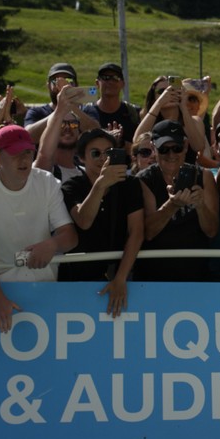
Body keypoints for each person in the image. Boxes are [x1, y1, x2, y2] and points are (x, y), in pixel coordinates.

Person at [0, 125, 78, 331]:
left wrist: (52, 244)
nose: (24, 159)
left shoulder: (46, 182)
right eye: (15, 153)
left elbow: (70, 237)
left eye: (27, 152)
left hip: (46, 287)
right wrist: (0, 301)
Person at [60, 129, 143, 316]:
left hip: (120, 274)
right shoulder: (71, 187)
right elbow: (84, 221)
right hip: (77, 280)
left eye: (109, 152)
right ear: (81, 158)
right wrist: (101, 185)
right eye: (95, 153)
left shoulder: (130, 184)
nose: (103, 158)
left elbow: (137, 232)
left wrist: (120, 279)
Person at [136, 119, 219, 282]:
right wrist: (172, 205)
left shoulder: (204, 177)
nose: (171, 155)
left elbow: (212, 231)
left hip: (196, 275)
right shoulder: (144, 180)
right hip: (152, 278)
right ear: (153, 148)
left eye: (177, 148)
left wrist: (201, 206)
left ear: (186, 146)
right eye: (164, 149)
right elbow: (148, 233)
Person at [81, 62, 138, 143]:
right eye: (106, 77)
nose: (111, 82)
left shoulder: (133, 113)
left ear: (123, 84)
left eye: (115, 78)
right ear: (97, 83)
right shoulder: (86, 113)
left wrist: (120, 143)